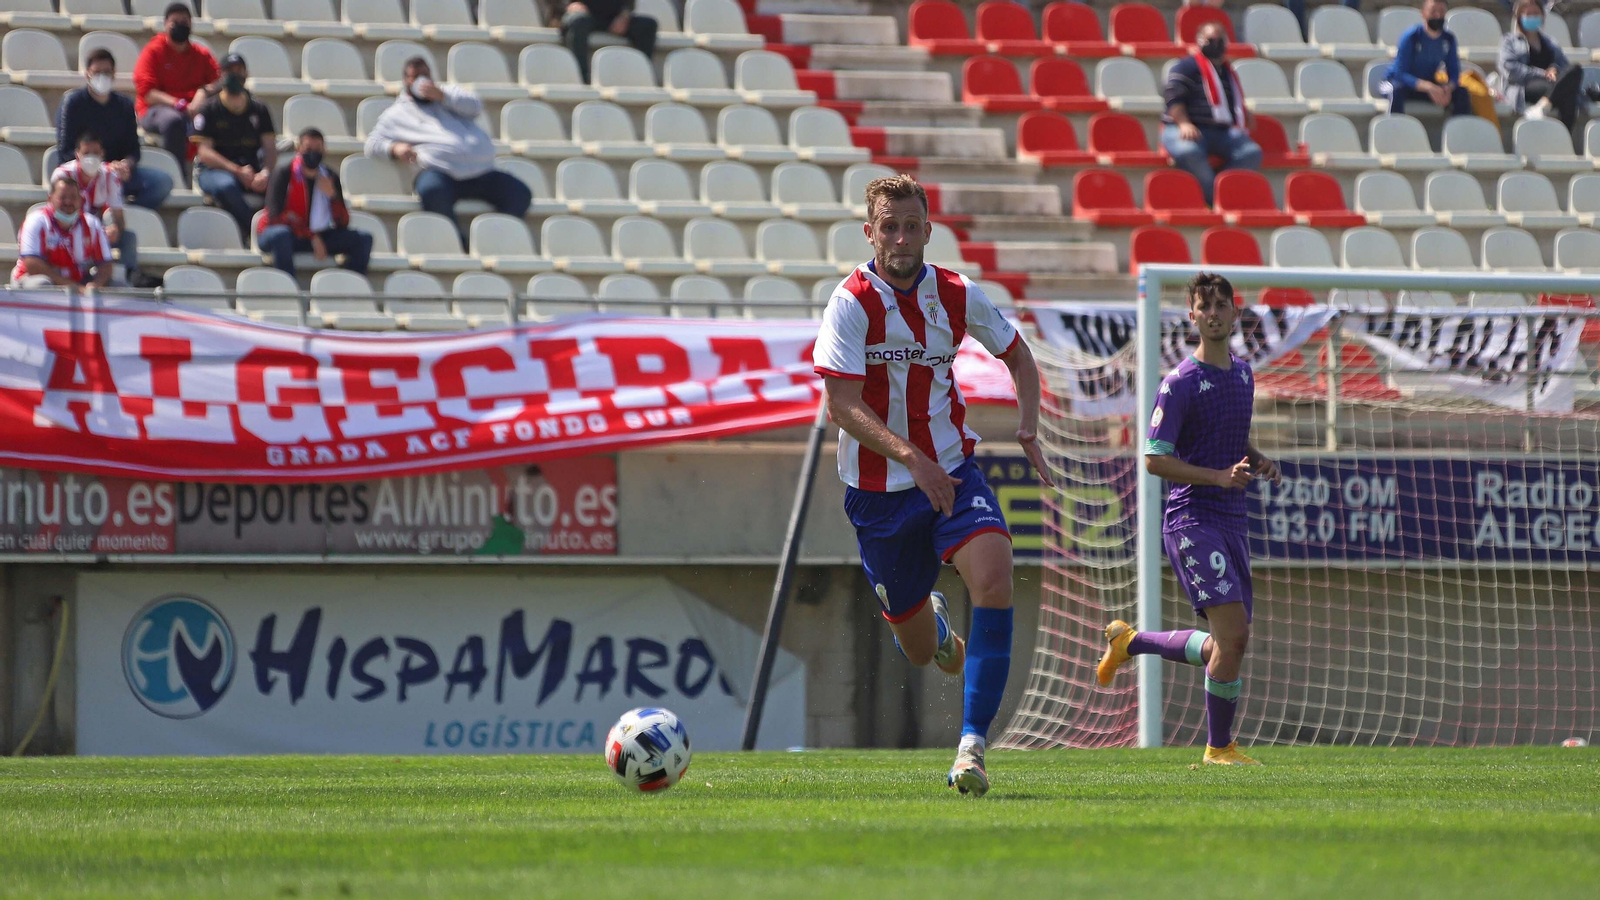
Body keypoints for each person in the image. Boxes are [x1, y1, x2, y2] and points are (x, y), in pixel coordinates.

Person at [812, 174, 1051, 797]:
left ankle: (971, 749)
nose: (900, 237)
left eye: (911, 225)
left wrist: (1027, 427)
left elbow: (1019, 355)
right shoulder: (849, 302)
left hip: (950, 471)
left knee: (996, 576)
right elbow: (839, 404)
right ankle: (939, 630)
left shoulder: (956, 292)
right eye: (888, 226)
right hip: (877, 493)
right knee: (920, 651)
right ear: (870, 232)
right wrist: (908, 457)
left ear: (927, 230)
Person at [1096, 272, 1283, 766]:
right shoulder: (1180, 383)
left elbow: (1224, 435)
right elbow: (1155, 458)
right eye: (1207, 305)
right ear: (1193, 315)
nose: (1216, 312)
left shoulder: (1243, 375)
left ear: (1234, 311)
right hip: (1191, 520)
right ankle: (1218, 749)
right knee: (1235, 637)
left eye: (1224, 303)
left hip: (1232, 520)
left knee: (1228, 642)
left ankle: (1131, 640)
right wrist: (1218, 478)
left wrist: (1256, 458)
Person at [364, 57, 532, 241]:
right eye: (416, 76)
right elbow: (372, 143)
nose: (422, 80)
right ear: (406, 81)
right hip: (442, 173)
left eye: (426, 75)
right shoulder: (396, 114)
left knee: (520, 193)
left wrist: (443, 96)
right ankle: (458, 241)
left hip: (481, 172)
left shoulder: (448, 95)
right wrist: (394, 147)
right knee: (431, 190)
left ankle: (496, 237)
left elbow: (475, 106)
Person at [57, 48, 173, 211]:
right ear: (87, 74)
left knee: (162, 182)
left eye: (106, 72)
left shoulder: (124, 105)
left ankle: (122, 213)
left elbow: (134, 149)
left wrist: (126, 165)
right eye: (97, 72)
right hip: (84, 175)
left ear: (113, 74)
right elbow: (65, 152)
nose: (102, 77)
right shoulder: (73, 104)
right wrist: (99, 167)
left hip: (117, 175)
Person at [1160, 23, 1263, 206]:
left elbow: (1231, 102)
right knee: (1188, 151)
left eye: (1219, 40)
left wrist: (1244, 114)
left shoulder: (1227, 72)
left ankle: (1218, 186)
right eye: (1210, 40)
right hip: (1183, 127)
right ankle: (1214, 199)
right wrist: (1184, 123)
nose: (1215, 44)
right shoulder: (1185, 66)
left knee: (1251, 153)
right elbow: (1174, 99)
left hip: (1221, 131)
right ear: (1199, 41)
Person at [53, 132, 162, 288]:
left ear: (103, 153)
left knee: (128, 238)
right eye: (86, 153)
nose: (91, 158)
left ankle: (129, 278)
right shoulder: (63, 175)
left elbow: (118, 214)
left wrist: (116, 229)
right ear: (77, 154)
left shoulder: (110, 175)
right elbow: (57, 214)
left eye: (96, 153)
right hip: (67, 231)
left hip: (96, 232)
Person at [259, 129, 372, 278]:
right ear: (299, 149)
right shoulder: (283, 173)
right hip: (282, 234)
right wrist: (311, 236)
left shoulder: (329, 176)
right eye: (308, 149)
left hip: (318, 234)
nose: (313, 153)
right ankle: (288, 288)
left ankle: (349, 286)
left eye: (318, 149)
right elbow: (275, 217)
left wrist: (333, 196)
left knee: (363, 239)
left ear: (324, 150)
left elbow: (343, 222)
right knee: (281, 235)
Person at [193, 53, 277, 241]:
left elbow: (270, 148)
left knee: (279, 184)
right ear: (221, 74)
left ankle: (278, 230)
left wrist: (266, 172)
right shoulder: (209, 108)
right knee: (227, 186)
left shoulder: (259, 109)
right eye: (230, 71)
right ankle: (256, 233)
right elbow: (205, 152)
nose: (236, 75)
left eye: (240, 70)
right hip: (215, 170)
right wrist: (237, 171)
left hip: (251, 168)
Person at [134, 3, 221, 174]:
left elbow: (219, 81)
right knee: (174, 121)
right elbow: (148, 93)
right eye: (175, 22)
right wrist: (179, 104)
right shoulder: (153, 51)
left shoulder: (200, 54)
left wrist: (203, 93)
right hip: (155, 110)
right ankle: (176, 175)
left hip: (193, 109)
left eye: (185, 21)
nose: (180, 25)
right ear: (166, 24)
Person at [11, 174, 114, 291]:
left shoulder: (92, 224)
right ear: (50, 199)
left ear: (80, 200)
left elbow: (106, 264)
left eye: (73, 197)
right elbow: (33, 265)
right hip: (31, 278)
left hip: (77, 282)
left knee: (117, 285)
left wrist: (95, 285)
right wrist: (71, 286)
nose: (68, 202)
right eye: (63, 197)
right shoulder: (36, 221)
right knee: (42, 284)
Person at [1500, 0, 1587, 128]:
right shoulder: (1509, 41)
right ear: (1519, 17)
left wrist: (1554, 68)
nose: (1532, 17)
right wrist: (1543, 73)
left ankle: (1544, 106)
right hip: (1525, 85)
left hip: (1551, 84)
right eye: (1528, 14)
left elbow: (1564, 66)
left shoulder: (1549, 42)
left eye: (1536, 13)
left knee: (1575, 69)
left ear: (1542, 16)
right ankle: (1564, 138)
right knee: (1568, 92)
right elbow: (1510, 70)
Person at [1385, 0, 1472, 117]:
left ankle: (1459, 131)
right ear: (1423, 13)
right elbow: (1400, 73)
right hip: (1398, 83)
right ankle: (1394, 129)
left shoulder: (1448, 39)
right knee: (1396, 91)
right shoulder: (1412, 36)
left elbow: (1454, 72)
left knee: (1461, 92)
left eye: (1441, 12)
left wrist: (1447, 89)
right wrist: (1428, 87)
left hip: (1427, 85)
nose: (1437, 16)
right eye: (1433, 11)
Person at [543, 1, 658, 83]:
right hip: (578, 14)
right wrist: (568, 6)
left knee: (648, 25)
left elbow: (629, 4)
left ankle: (642, 76)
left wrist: (624, 15)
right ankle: (582, 78)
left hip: (613, 19)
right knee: (578, 22)